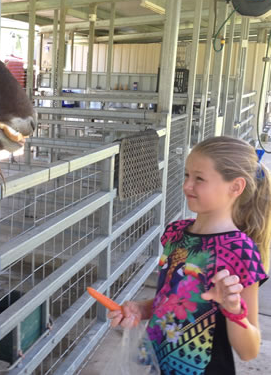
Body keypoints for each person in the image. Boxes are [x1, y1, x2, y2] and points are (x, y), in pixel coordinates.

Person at [108, 136, 271, 375]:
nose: (187, 186)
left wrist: (233, 309)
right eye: (186, 175)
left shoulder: (240, 251)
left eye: (199, 178)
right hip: (160, 364)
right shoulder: (176, 234)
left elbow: (249, 351)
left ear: (235, 187)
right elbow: (172, 299)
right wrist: (141, 310)